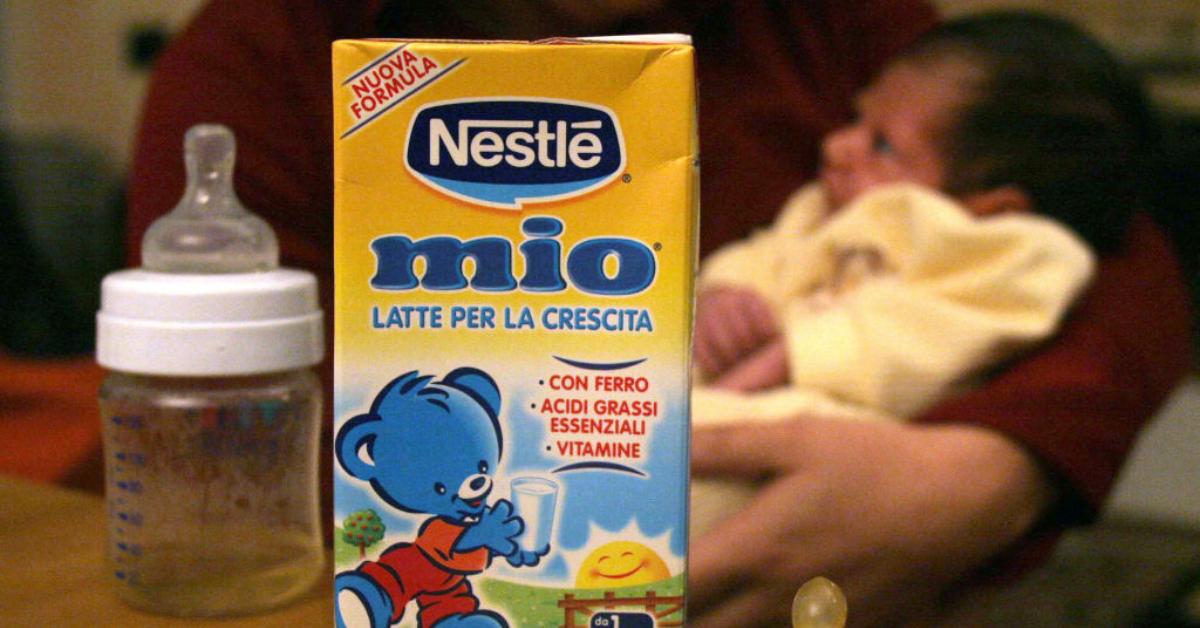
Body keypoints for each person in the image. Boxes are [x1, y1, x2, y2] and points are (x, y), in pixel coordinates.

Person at [120, 2, 1194, 627]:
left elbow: (1109, 249)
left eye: (875, 144)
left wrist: (991, 475)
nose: (840, 150)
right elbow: (244, 435)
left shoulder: (824, 24)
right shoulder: (268, 55)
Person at [688, 13, 1194, 626]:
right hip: (714, 406)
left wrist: (808, 349)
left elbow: (943, 327)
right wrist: (726, 291)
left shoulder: (1009, 254)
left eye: (881, 144)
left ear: (994, 206)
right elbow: (762, 253)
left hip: (830, 438)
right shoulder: (820, 208)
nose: (834, 145)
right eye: (853, 117)